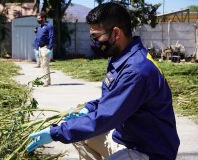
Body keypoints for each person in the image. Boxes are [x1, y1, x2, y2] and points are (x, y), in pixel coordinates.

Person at [26, 2, 180, 160]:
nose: (94, 43)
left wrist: (56, 132)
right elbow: (113, 100)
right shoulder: (121, 57)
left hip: (149, 151)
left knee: (75, 129)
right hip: (127, 138)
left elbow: (106, 117)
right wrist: (87, 108)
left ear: (116, 33)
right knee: (79, 134)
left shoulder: (136, 71)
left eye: (96, 37)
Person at [34, 12, 54, 87]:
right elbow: (36, 38)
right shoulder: (39, 27)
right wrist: (36, 48)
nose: (38, 20)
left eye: (39, 18)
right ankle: (48, 81)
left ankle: (46, 81)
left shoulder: (49, 26)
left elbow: (51, 37)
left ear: (43, 18)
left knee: (45, 65)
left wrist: (50, 48)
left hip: (45, 47)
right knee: (43, 65)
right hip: (40, 47)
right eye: (37, 19)